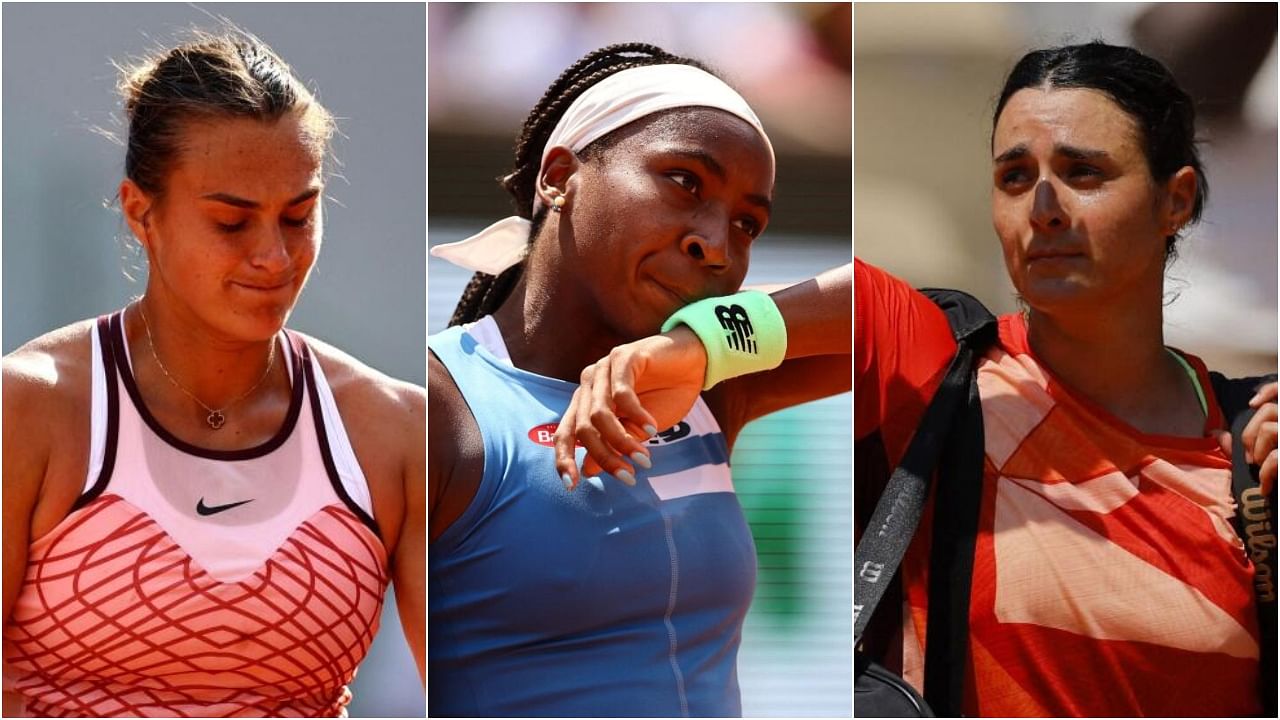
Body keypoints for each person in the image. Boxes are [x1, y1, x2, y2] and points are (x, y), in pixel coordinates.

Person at [557, 42, 1278, 718]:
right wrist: (692, 348)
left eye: (1084, 173)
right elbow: (818, 304)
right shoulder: (936, 358)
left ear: (1175, 201)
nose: (1044, 206)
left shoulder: (1257, 444)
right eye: (1015, 177)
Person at [2, 32, 424, 717]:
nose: (274, 256)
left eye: (299, 216)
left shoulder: (395, 432)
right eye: (232, 222)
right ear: (142, 212)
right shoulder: (27, 410)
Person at [427, 43, 851, 716]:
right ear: (560, 176)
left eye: (749, 222)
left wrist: (698, 345)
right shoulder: (437, 402)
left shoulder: (709, 385)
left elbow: (907, 317)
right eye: (685, 181)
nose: (715, 242)